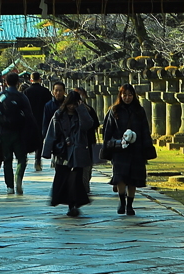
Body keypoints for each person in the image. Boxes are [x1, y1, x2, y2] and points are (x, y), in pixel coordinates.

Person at [101, 83, 154, 215]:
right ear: (120, 95)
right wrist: (109, 145)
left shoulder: (139, 111)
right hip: (120, 149)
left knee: (133, 178)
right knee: (120, 177)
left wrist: (146, 147)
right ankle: (122, 201)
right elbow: (108, 130)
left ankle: (130, 204)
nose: (127, 97)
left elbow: (145, 130)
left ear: (134, 96)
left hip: (136, 149)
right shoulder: (114, 110)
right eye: (124, 95)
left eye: (130, 95)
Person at [42, 90, 94, 217]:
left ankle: (73, 205)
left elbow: (88, 125)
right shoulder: (59, 115)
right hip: (63, 151)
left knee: (75, 180)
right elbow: (51, 133)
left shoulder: (81, 113)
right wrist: (47, 151)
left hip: (78, 151)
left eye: (74, 104)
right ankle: (68, 203)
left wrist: (81, 109)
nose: (71, 107)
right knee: (62, 178)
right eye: (70, 104)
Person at [0, 72, 38, 195]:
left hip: (5, 132)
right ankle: (18, 176)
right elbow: (29, 115)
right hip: (20, 132)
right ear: (18, 83)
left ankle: (9, 186)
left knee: (7, 159)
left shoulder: (2, 96)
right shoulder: (22, 97)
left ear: (6, 82)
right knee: (21, 158)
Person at [24, 72, 53, 172]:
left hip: (30, 119)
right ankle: (37, 160)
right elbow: (49, 105)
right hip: (42, 118)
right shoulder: (45, 91)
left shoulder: (26, 91)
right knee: (40, 140)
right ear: (40, 79)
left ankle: (25, 157)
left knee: (28, 138)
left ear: (31, 80)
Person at [76, 87, 99, 195]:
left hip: (88, 141)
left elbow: (95, 123)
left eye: (81, 94)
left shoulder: (89, 109)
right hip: (76, 142)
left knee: (87, 166)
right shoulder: (69, 109)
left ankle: (85, 185)